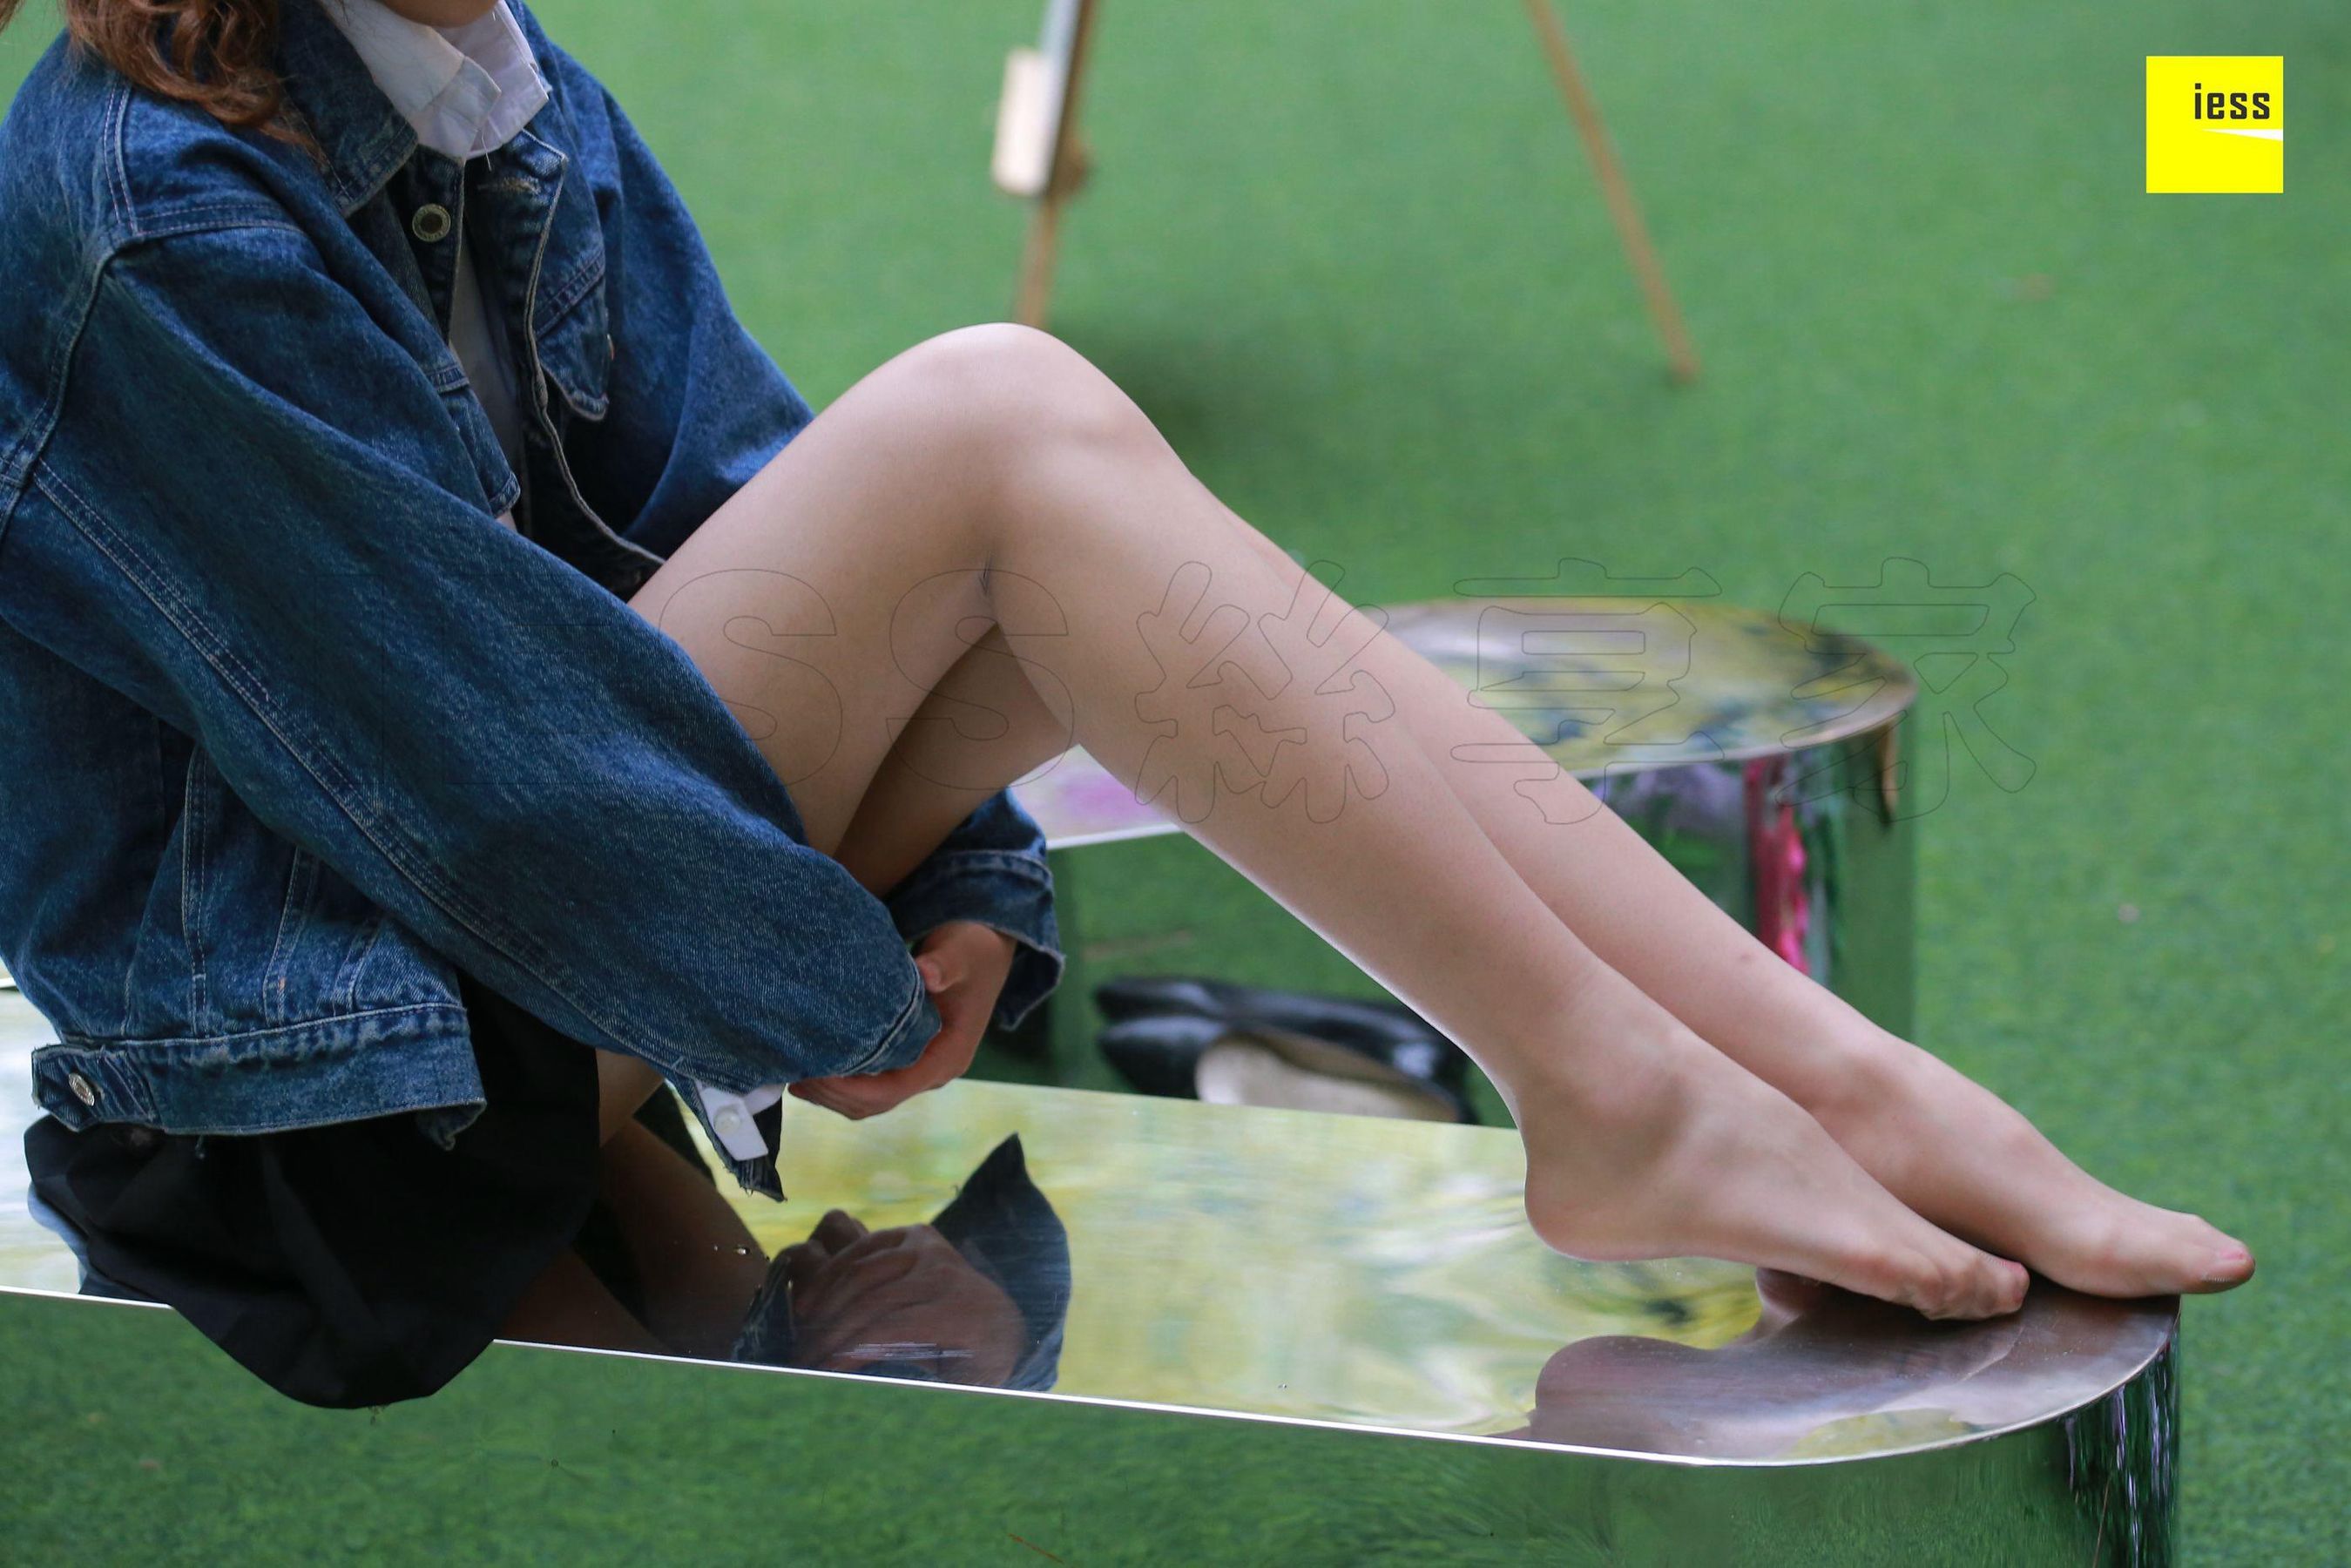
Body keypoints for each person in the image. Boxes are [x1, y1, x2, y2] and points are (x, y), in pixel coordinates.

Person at [0, 0, 2251, 1406]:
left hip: (525, 977)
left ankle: (1819, 1077)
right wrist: (811, 985)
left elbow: (734, 501)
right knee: (997, 419)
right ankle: (1626, 1093)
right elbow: (489, 787)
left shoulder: (486, 86)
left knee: (1055, 517)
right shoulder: (147, 210)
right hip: (328, 1119)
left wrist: (961, 876)